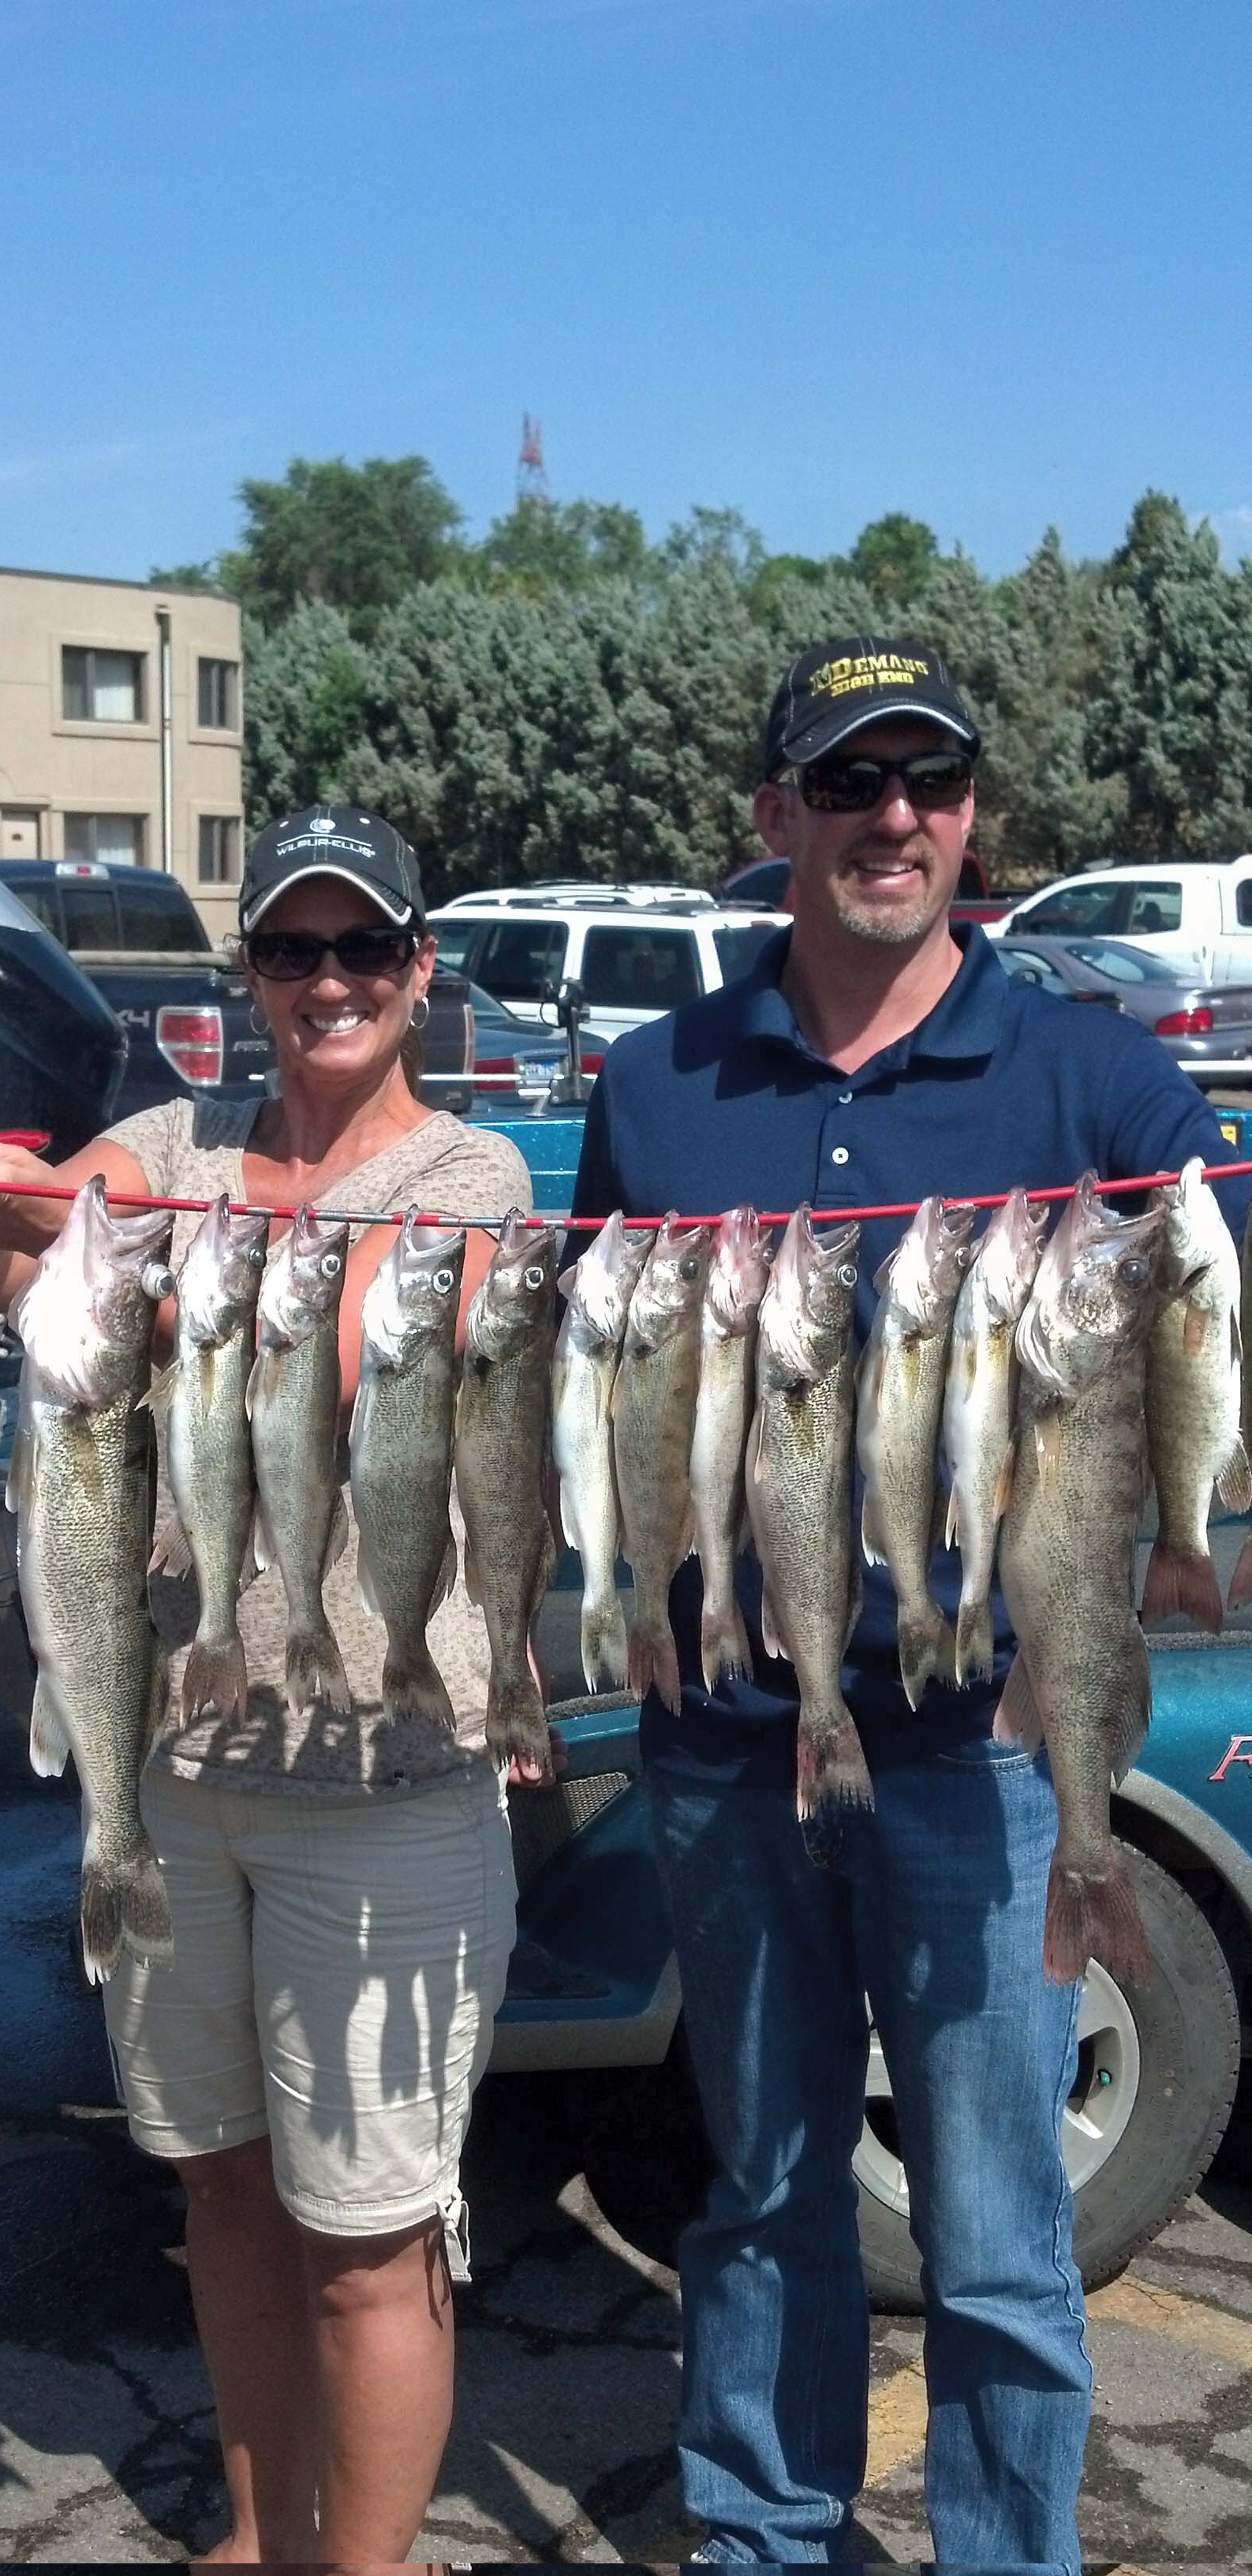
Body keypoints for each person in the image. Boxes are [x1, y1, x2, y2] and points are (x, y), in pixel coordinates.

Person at [572, 638, 1252, 2570]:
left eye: (928, 784)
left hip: (989, 1752)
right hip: (731, 1740)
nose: (893, 821)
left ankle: (1003, 2551)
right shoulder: (653, 1083)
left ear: (969, 817)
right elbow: (610, 1379)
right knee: (768, 2181)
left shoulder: (1098, 1072)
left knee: (994, 2219)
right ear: (773, 813)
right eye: (849, 782)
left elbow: (1195, 1327)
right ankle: (763, 2533)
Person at [0, 803, 540, 2570]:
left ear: (417, 976)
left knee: (369, 2237)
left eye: (361, 949)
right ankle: (253, 2530)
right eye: (292, 951)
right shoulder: (164, 1143)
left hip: (387, 1785)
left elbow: (371, 1299)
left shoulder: (472, 1179)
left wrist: (115, 1227)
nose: (327, 982)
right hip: (171, 1778)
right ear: (247, 977)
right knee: (218, 2187)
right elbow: (1, 1264)